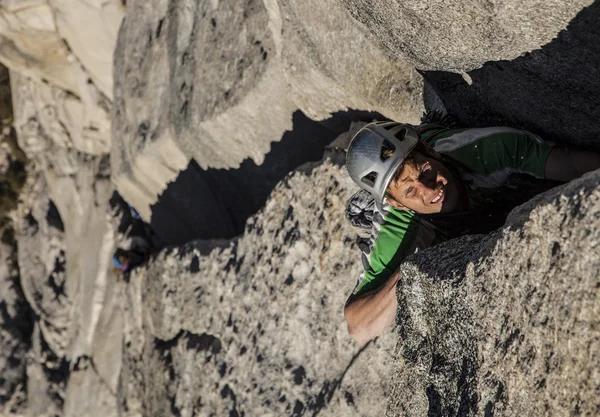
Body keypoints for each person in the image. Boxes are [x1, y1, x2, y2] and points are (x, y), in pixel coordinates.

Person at [344, 119, 600, 344]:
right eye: (410, 191)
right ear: (398, 204)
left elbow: (569, 162)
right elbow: (359, 327)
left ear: (429, 151)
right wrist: (407, 271)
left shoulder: (481, 150)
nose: (428, 189)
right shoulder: (399, 226)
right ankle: (367, 211)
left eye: (424, 171)